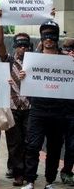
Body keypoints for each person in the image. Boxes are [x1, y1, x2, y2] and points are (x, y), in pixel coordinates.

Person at [19, 20, 65, 189]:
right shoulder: (31, 60)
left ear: (57, 37)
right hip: (37, 109)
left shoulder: (67, 60)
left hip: (59, 110)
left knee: (54, 148)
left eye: (52, 35)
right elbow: (21, 80)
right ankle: (30, 180)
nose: (49, 39)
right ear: (41, 38)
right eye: (45, 35)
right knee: (32, 145)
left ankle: (49, 181)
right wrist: (23, 76)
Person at [0, 9, 32, 186]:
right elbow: (0, 43)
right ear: (15, 45)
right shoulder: (7, 60)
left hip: (30, 108)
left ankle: (28, 171)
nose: (23, 48)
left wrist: (50, 18)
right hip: (12, 107)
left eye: (26, 45)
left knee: (29, 141)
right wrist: (0, 22)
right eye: (20, 44)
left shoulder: (35, 62)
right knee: (14, 142)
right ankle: (18, 173)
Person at [60, 38, 74, 186]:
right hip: (56, 109)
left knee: (72, 145)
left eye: (70, 49)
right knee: (55, 144)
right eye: (65, 48)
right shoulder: (57, 58)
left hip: (72, 111)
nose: (68, 51)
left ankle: (67, 171)